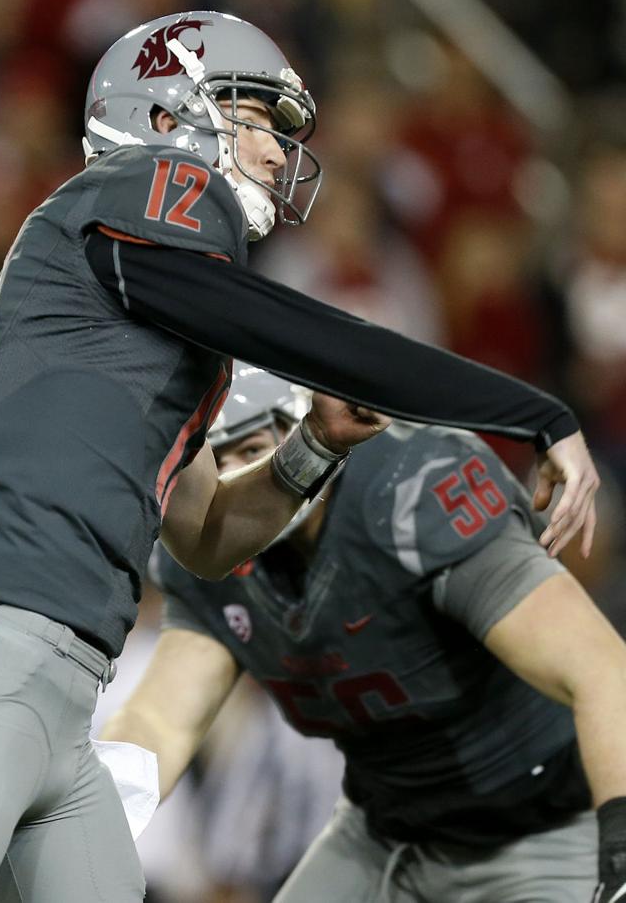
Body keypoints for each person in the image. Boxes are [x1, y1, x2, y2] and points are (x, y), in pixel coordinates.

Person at [0, 13, 601, 903]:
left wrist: (312, 444)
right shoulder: (134, 189)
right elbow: (315, 337)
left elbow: (202, 536)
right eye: (254, 118)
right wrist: (530, 412)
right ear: (163, 117)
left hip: (64, 686)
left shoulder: (144, 320)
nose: (276, 150)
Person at [103, 364, 626, 902]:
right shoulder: (208, 554)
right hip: (383, 832)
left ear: (305, 431)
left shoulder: (410, 495)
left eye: (253, 449)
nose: (234, 482)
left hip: (537, 829)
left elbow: (602, 670)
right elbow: (161, 722)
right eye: (219, 462)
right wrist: (81, 818)